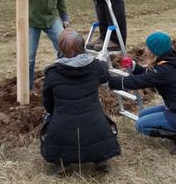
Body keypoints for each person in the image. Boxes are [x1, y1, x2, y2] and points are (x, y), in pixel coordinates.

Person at [108, 31, 176, 155]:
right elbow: (150, 75)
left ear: (155, 51)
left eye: (148, 47)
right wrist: (134, 67)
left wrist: (108, 81)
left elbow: (138, 82)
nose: (146, 49)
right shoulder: (170, 60)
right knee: (143, 114)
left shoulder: (166, 69)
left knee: (140, 125)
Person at [40, 28, 121, 175]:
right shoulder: (95, 66)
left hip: (63, 127)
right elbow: (104, 77)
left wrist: (55, 114)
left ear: (61, 49)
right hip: (94, 125)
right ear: (82, 46)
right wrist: (102, 60)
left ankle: (62, 163)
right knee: (100, 124)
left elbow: (48, 103)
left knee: (50, 123)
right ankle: (100, 159)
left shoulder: (52, 73)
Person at [28, 0, 69, 90]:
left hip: (51, 19)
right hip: (32, 21)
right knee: (29, 58)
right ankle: (28, 89)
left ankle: (62, 82)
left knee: (65, 49)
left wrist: (64, 18)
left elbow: (61, 0)